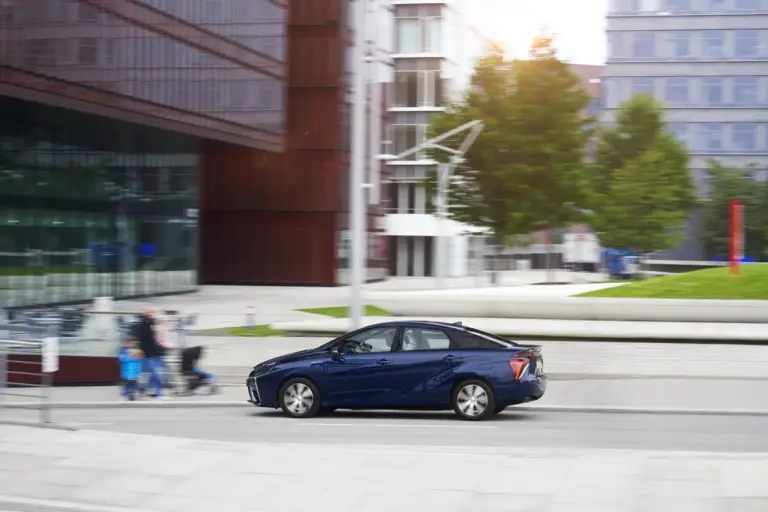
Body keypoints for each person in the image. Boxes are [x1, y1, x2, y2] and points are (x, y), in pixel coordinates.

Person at [135, 308, 168, 400]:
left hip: (153, 352)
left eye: (153, 313)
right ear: (146, 314)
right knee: (154, 372)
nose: (153, 314)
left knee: (150, 372)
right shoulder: (146, 324)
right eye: (151, 313)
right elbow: (144, 339)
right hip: (149, 353)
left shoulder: (152, 323)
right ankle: (155, 391)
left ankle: (151, 390)